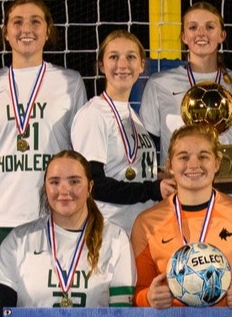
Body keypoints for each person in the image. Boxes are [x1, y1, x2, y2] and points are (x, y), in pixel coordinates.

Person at [0, 0, 86, 241]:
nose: (26, 29)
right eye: (17, 22)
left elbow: (79, 151)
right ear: (6, 32)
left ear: (47, 31)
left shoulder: (70, 82)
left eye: (35, 21)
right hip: (1, 215)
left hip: (54, 213)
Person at [131, 125, 232, 308]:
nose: (194, 165)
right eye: (183, 157)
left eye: (203, 156)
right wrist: (149, 298)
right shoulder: (146, 223)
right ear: (170, 166)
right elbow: (138, 291)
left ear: (217, 163)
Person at [0, 149, 136, 310]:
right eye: (55, 182)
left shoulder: (116, 239)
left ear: (90, 187)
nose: (64, 191)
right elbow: (1, 314)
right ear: (45, 188)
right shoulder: (19, 240)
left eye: (74, 182)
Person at [69, 30, 166, 231]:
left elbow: (129, 172)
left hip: (137, 228)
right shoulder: (94, 114)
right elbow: (94, 184)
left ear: (141, 65)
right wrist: (153, 190)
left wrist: (163, 176)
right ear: (102, 65)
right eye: (114, 57)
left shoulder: (134, 117)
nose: (122, 65)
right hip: (107, 232)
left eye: (131, 57)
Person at [138, 0, 232, 160]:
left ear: (222, 35)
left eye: (210, 27)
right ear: (184, 37)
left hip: (227, 180)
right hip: (179, 182)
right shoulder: (159, 84)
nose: (201, 33)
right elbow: (148, 147)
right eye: (193, 27)